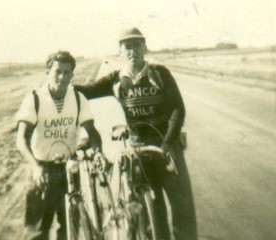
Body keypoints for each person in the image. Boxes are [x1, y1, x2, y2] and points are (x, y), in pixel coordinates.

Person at [74, 27, 197, 240]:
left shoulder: (159, 74)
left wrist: (169, 141)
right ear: (120, 52)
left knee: (181, 206)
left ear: (145, 48)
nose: (132, 51)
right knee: (150, 208)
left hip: (167, 146)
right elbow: (87, 90)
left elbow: (178, 109)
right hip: (138, 148)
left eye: (137, 46)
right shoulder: (116, 79)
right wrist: (59, 87)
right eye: (127, 47)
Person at [16, 51, 102, 240]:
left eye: (67, 72)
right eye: (57, 71)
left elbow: (93, 132)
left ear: (72, 74)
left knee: (70, 226)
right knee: (37, 231)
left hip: (69, 170)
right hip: (42, 171)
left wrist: (98, 154)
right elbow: (21, 140)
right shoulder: (35, 98)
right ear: (48, 72)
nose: (62, 77)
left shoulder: (78, 98)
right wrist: (35, 167)